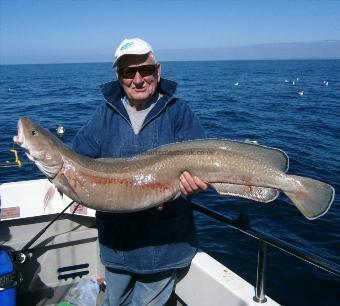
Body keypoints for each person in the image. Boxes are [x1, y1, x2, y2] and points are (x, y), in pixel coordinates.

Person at [72, 38, 208, 305]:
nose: (137, 79)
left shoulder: (179, 113)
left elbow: (201, 166)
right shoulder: (104, 115)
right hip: (115, 245)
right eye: (127, 72)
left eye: (145, 70)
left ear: (158, 71)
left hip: (165, 245)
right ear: (119, 77)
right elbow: (78, 159)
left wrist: (193, 187)